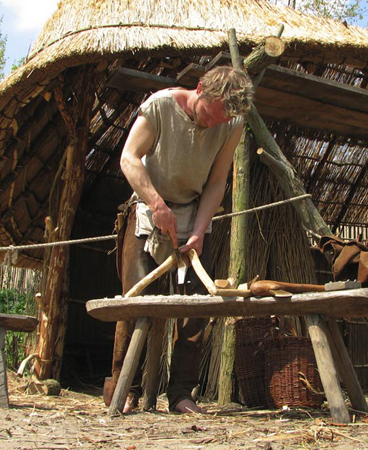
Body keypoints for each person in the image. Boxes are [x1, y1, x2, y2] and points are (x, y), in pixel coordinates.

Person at [112, 66, 254, 414]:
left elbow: (217, 181)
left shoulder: (231, 124)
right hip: (148, 208)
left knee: (195, 309)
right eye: (212, 114)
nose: (214, 124)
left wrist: (199, 230)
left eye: (224, 119)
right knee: (134, 301)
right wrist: (156, 205)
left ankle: (180, 394)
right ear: (201, 88)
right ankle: (124, 388)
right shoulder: (159, 107)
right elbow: (129, 158)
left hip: (193, 211)